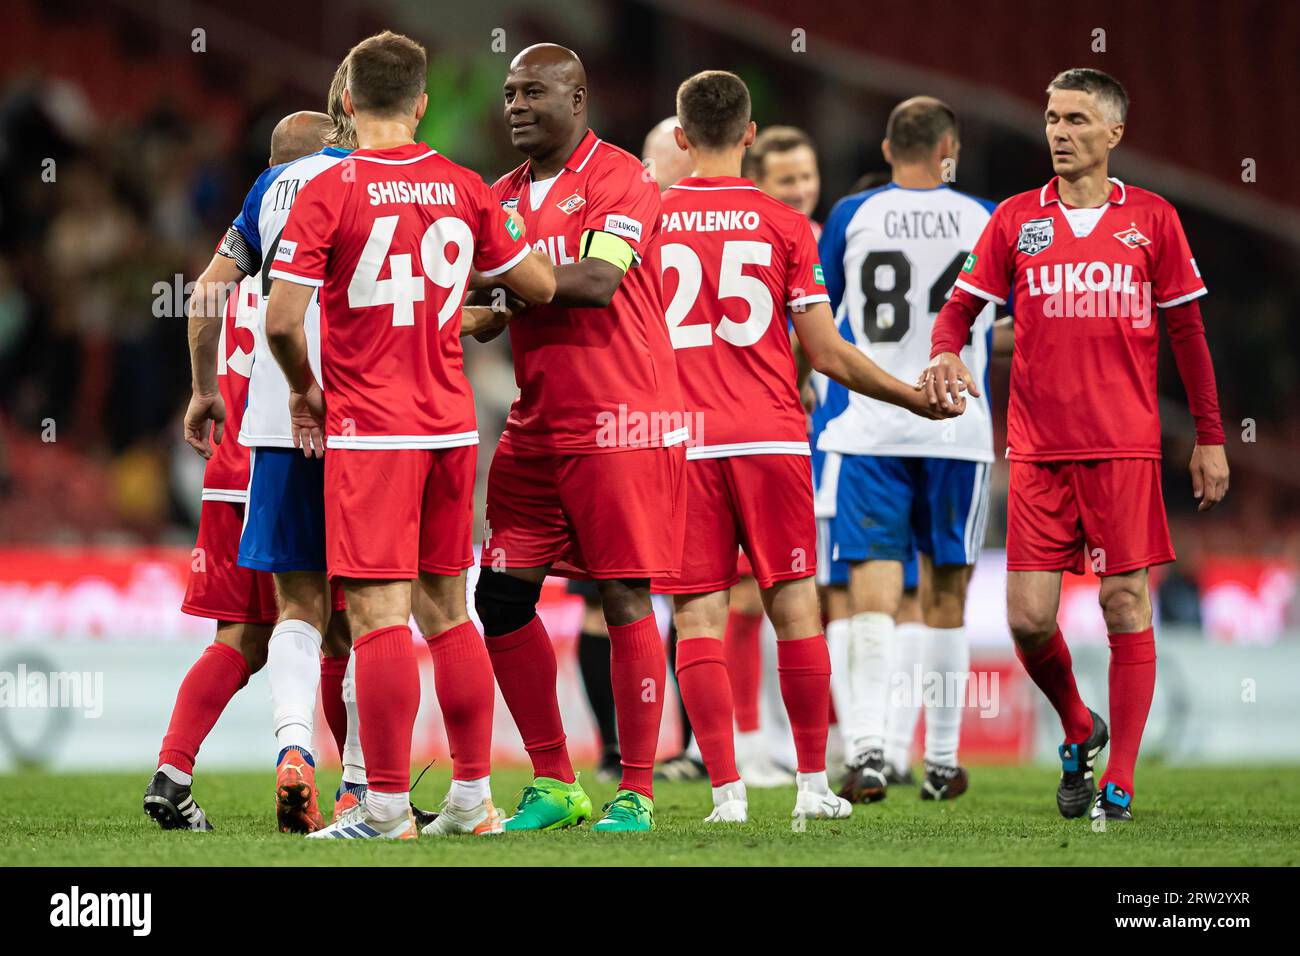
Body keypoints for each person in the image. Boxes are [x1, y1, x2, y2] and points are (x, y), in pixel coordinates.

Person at [265, 30, 556, 840]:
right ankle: (471, 799)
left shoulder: (330, 188)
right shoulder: (467, 187)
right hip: (451, 430)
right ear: (422, 104)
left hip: (372, 431)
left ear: (348, 103)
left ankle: (386, 807)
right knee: (446, 609)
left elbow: (282, 321)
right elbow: (534, 282)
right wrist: (469, 309)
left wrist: (305, 392)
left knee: (378, 616)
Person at [922, 68, 1229, 824]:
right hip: (1036, 449)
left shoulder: (1152, 221)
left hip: (1125, 446)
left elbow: (1188, 333)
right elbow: (959, 308)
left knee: (1126, 603)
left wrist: (1211, 437)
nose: (1059, 132)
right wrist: (947, 351)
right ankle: (1079, 725)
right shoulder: (1015, 221)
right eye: (1053, 118)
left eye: (1078, 120)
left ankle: (1119, 778)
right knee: (1028, 619)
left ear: (1114, 134)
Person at [655, 70, 960, 823]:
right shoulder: (788, 226)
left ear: (683, 137)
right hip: (769, 438)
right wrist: (911, 395)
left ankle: (726, 795)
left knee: (699, 615)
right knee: (796, 607)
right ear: (751, 137)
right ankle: (811, 787)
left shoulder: (647, 218)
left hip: (679, 440)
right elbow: (825, 353)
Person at [476, 43, 687, 833]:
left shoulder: (621, 176)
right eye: (509, 93)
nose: (517, 105)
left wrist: (498, 279)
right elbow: (499, 310)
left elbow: (597, 284)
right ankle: (555, 778)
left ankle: (635, 790)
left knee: (622, 593)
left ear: (578, 96)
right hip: (536, 423)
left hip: (620, 417)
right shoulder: (499, 196)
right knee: (501, 596)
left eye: (534, 91)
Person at [146, 106, 345, 833]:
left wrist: (201, 395)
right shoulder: (328, 258)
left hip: (232, 467)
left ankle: (172, 773)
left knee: (242, 638)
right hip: (296, 452)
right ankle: (355, 789)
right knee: (333, 627)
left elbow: (199, 296)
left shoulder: (242, 259)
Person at [819, 96, 1002, 804]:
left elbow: (824, 309)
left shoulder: (852, 215)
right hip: (957, 427)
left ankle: (865, 749)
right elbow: (1001, 321)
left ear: (890, 149)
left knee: (870, 587)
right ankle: (944, 761)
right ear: (948, 148)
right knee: (946, 590)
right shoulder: (985, 218)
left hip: (870, 425)